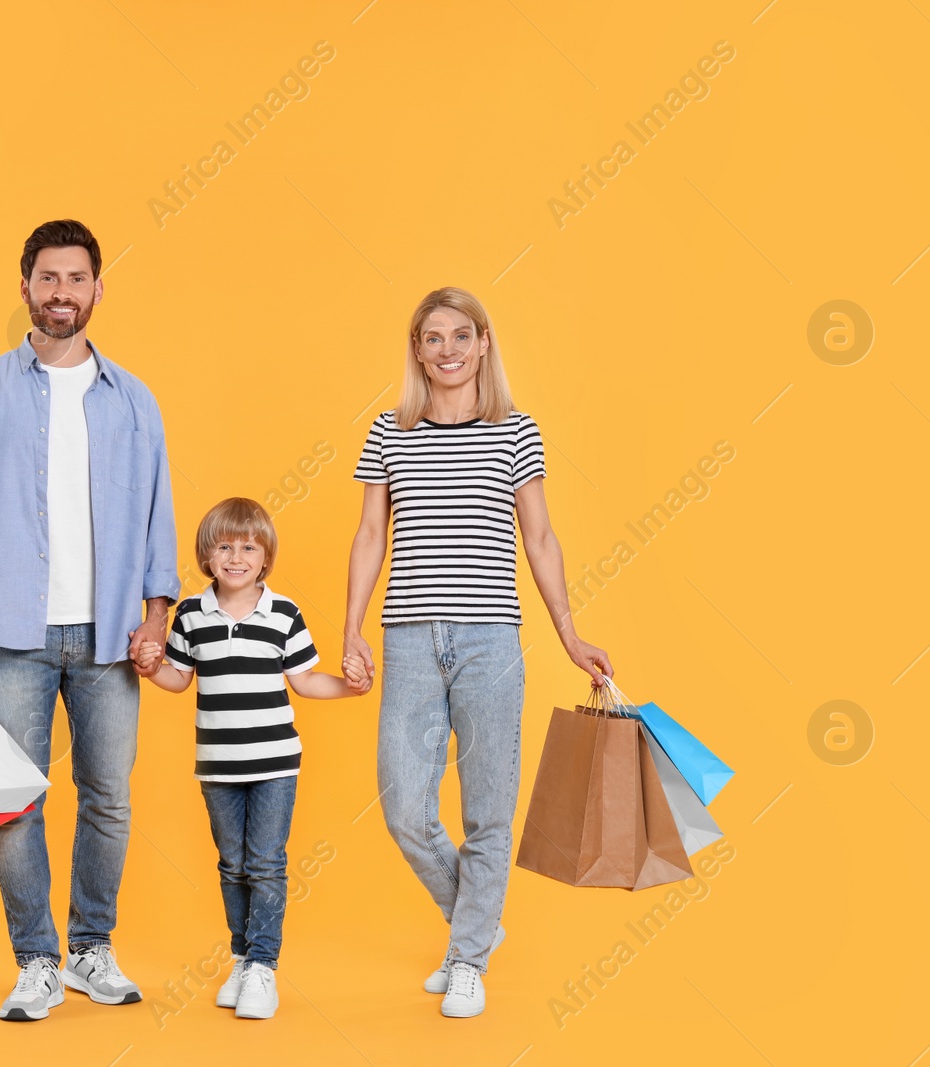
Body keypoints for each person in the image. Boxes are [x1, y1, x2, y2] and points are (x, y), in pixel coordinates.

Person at [0, 220, 179, 1022]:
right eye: (49, 278)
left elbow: (161, 521)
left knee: (109, 798)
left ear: (98, 288)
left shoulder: (135, 401)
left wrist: (155, 620)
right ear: (24, 286)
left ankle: (92, 948)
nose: (63, 293)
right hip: (14, 635)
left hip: (110, 638)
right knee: (15, 799)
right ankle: (36, 961)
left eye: (77, 279)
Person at [342, 286, 613, 1019]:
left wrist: (569, 633)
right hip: (409, 639)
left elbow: (542, 538)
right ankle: (481, 924)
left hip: (491, 639)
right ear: (418, 349)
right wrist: (351, 628)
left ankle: (466, 958)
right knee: (405, 805)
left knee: (489, 808)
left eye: (463, 335)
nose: (449, 349)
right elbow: (371, 535)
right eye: (434, 337)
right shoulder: (389, 432)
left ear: (484, 344)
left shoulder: (515, 432)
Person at [133, 498, 369, 1020]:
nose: (235, 557)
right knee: (232, 864)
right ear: (207, 555)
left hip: (275, 765)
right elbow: (178, 679)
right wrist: (150, 669)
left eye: (248, 547)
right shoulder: (192, 614)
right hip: (217, 766)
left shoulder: (283, 613)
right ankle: (241, 957)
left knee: (265, 862)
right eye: (223, 546)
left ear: (265, 558)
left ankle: (263, 966)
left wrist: (351, 689)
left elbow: (305, 681)